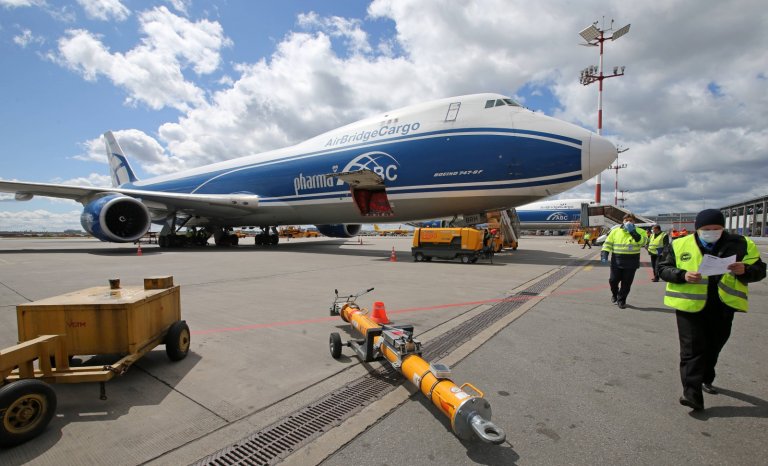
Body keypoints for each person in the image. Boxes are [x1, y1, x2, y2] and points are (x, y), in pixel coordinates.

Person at [658, 209, 765, 411]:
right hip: (689, 305)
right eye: (706, 229)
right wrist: (682, 275)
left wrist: (746, 270)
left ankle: (707, 376)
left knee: (714, 346)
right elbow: (663, 268)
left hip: (723, 305)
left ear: (723, 228)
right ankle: (692, 394)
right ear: (698, 229)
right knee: (691, 350)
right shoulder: (680, 244)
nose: (711, 232)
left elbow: (760, 270)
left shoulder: (742, 244)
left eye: (716, 229)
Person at [601, 213, 648, 309]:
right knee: (613, 280)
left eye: (631, 220)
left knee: (626, 283)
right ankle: (615, 294)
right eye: (626, 220)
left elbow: (643, 242)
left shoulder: (641, 231)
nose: (628, 222)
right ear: (623, 221)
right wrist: (604, 254)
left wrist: (633, 232)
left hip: (632, 261)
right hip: (617, 260)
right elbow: (607, 243)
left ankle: (621, 300)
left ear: (634, 222)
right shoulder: (615, 231)